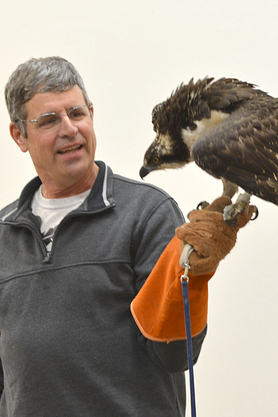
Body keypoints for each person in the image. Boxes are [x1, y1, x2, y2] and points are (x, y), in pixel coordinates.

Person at [0, 56, 254, 417]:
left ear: (91, 113)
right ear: (19, 135)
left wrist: (191, 280)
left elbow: (174, 353)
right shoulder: (3, 233)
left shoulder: (147, 214)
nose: (69, 129)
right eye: (49, 120)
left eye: (77, 113)